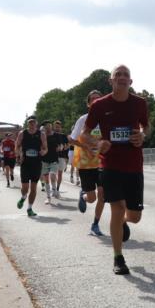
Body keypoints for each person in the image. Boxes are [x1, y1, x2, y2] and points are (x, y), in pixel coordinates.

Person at [82, 65, 148, 275]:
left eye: (125, 75)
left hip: (134, 166)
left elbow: (146, 127)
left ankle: (121, 224)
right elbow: (84, 135)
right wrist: (97, 143)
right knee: (117, 209)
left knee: (134, 216)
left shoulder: (139, 104)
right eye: (117, 75)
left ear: (130, 82)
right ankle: (118, 258)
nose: (121, 77)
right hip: (110, 165)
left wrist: (143, 136)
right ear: (111, 81)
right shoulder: (100, 105)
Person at [70, 90, 107, 236]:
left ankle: (95, 225)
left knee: (103, 195)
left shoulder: (106, 119)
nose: (96, 101)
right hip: (86, 164)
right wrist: (87, 147)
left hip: (102, 162)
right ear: (88, 103)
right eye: (93, 99)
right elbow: (71, 139)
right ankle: (84, 195)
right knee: (92, 198)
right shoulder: (83, 119)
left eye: (99, 99)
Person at [16, 117, 47, 217]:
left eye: (33, 123)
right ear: (28, 124)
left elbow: (45, 148)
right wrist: (18, 155)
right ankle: (23, 197)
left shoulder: (41, 134)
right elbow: (17, 146)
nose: (32, 125)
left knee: (33, 188)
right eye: (30, 123)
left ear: (36, 124)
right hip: (25, 163)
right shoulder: (22, 133)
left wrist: (43, 152)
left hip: (37, 163)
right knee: (25, 188)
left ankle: (29, 208)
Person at [40, 121, 60, 203]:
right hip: (44, 160)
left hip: (54, 159)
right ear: (44, 127)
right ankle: (48, 197)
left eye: (49, 126)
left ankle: (54, 190)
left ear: (51, 127)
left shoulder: (56, 135)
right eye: (46, 126)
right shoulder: (41, 136)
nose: (48, 127)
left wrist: (61, 147)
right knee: (46, 179)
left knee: (52, 175)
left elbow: (61, 144)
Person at [52, 120, 70, 196]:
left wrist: (65, 147)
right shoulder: (51, 135)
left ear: (61, 128)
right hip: (53, 157)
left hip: (62, 157)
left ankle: (57, 189)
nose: (57, 128)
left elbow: (68, 145)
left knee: (59, 174)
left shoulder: (64, 136)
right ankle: (54, 188)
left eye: (58, 127)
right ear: (53, 127)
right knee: (53, 173)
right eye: (56, 127)